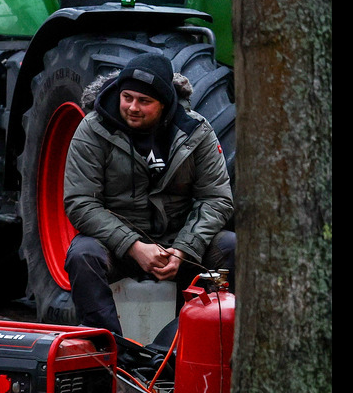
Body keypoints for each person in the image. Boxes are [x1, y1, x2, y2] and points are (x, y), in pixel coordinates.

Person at [62, 53, 236, 336]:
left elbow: (217, 198)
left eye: (144, 101)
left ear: (165, 103)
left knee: (230, 247)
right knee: (83, 254)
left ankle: (181, 343)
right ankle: (110, 349)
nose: (132, 107)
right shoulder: (93, 129)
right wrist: (133, 246)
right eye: (127, 97)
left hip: (178, 243)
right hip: (119, 245)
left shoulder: (196, 131)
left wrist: (183, 248)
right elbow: (80, 203)